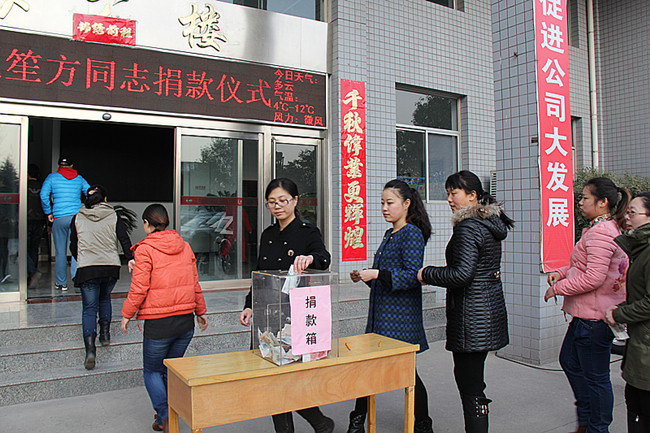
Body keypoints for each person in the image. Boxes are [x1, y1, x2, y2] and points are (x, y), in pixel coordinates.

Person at [418, 170, 514, 433]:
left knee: (470, 386)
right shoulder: (488, 223)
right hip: (487, 311)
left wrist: (426, 273)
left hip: (471, 316)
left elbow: (461, 274)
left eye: (454, 193)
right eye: (448, 193)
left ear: (472, 195)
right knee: (474, 384)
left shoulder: (469, 226)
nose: (449, 199)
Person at [239, 178, 333, 433]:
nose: (277, 206)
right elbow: (260, 274)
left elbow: (324, 258)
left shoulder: (307, 231)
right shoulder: (267, 235)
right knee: (270, 378)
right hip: (266, 315)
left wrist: (310, 257)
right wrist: (249, 305)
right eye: (272, 202)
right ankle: (317, 424)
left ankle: (320, 422)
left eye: (283, 200)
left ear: (295, 200)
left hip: (293, 317)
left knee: (289, 379)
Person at [347, 179, 434, 433]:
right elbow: (386, 277)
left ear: (406, 204)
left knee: (408, 375)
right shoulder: (390, 234)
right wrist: (366, 277)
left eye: (390, 203)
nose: (385, 208)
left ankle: (422, 424)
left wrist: (375, 274)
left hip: (401, 320)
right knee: (372, 370)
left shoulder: (411, 233)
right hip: (381, 316)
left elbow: (411, 276)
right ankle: (358, 422)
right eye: (382, 203)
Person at [544, 177, 630, 433]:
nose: (579, 202)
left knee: (597, 378)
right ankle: (587, 418)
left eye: (584, 198)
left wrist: (557, 288)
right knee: (570, 361)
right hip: (587, 316)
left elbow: (594, 278)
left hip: (594, 319)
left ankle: (597, 427)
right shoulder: (601, 229)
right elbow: (584, 266)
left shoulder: (601, 232)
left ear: (602, 202)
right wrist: (562, 272)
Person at [121, 204, 208, 433]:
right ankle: (170, 415)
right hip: (185, 322)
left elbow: (139, 288)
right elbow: (194, 282)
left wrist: (127, 314)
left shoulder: (145, 249)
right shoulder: (185, 246)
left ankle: (164, 415)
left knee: (152, 371)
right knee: (171, 370)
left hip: (159, 324)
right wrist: (200, 311)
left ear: (147, 224)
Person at [70, 185, 134, 370]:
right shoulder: (114, 215)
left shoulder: (78, 217)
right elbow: (124, 239)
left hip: (87, 268)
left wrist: (82, 258)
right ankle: (105, 335)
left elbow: (73, 245)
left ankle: (90, 349)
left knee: (89, 308)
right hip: (110, 267)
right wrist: (130, 258)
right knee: (105, 298)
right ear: (105, 199)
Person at [605, 192, 650, 432]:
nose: (627, 217)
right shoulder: (640, 248)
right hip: (641, 343)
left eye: (632, 212)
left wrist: (619, 314)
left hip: (646, 347)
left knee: (642, 411)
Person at [40, 156, 90, 291]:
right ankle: (76, 279)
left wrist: (48, 212)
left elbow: (43, 195)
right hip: (76, 217)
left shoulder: (52, 178)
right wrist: (86, 209)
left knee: (60, 251)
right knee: (76, 249)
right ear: (72, 166)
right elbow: (90, 192)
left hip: (59, 217)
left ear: (58, 166)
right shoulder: (79, 178)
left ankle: (61, 283)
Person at [27, 164, 46, 287]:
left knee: (23, 249)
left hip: (26, 220)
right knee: (34, 249)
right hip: (39, 220)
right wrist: (48, 222)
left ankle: (32, 272)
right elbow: (46, 202)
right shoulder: (42, 186)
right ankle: (31, 276)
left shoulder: (23, 186)